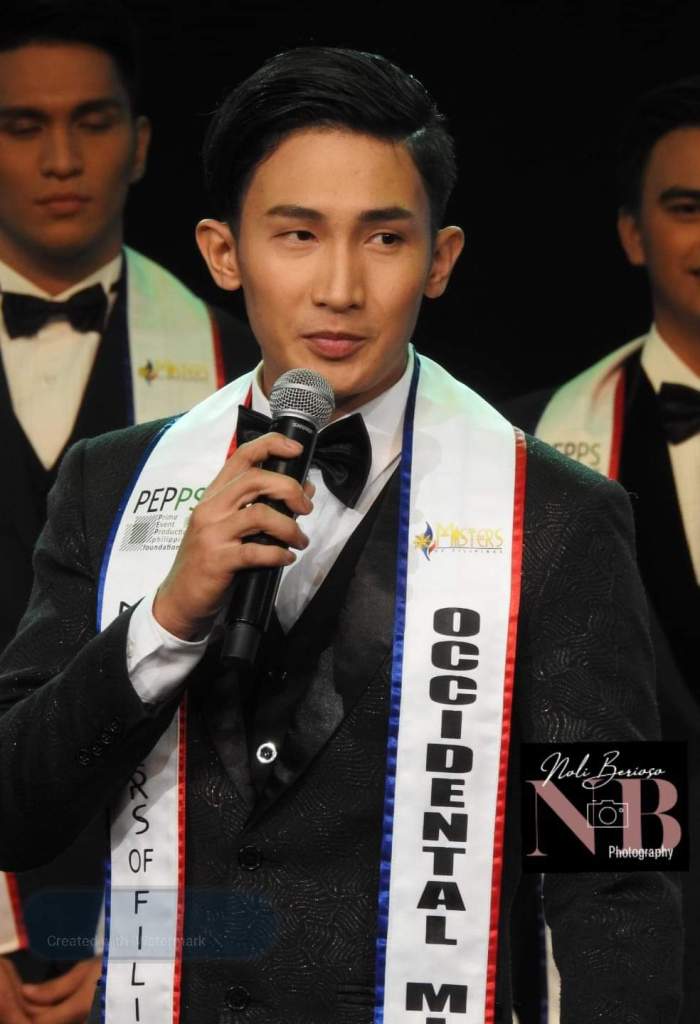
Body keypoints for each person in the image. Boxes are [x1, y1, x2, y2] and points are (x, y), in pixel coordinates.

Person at [0, 47, 682, 1024]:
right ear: (223, 252)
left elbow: (619, 878)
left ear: (440, 259)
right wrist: (166, 620)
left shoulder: (567, 514)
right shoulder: (108, 484)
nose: (339, 286)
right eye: (297, 234)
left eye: (384, 238)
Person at [0, 2, 256, 1020]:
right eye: (22, 125)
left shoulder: (245, 372)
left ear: (141, 143)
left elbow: (261, 708)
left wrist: (144, 943)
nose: (62, 158)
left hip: (176, 917)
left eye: (93, 121)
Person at [508, 76, 700, 1024]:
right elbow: (565, 725)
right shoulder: (531, 445)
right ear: (634, 233)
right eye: (687, 208)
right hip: (630, 915)